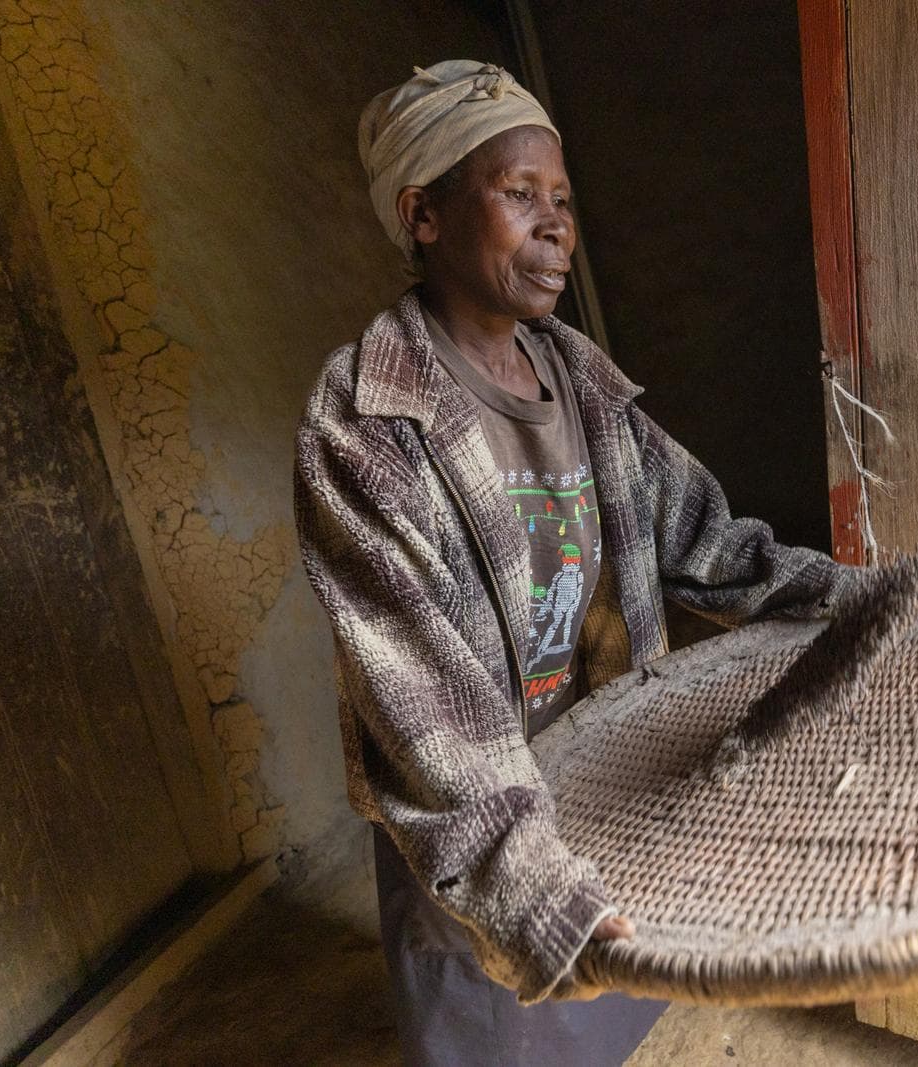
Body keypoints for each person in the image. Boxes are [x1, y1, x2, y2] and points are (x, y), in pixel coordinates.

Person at [294, 60, 853, 1066]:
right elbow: (427, 714)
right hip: (477, 812)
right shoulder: (367, 421)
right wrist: (535, 891)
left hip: (596, 773)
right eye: (519, 195)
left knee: (598, 1010)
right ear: (423, 214)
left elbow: (712, 544)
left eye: (562, 198)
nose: (557, 225)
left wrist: (852, 598)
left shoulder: (579, 381)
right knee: (497, 1009)